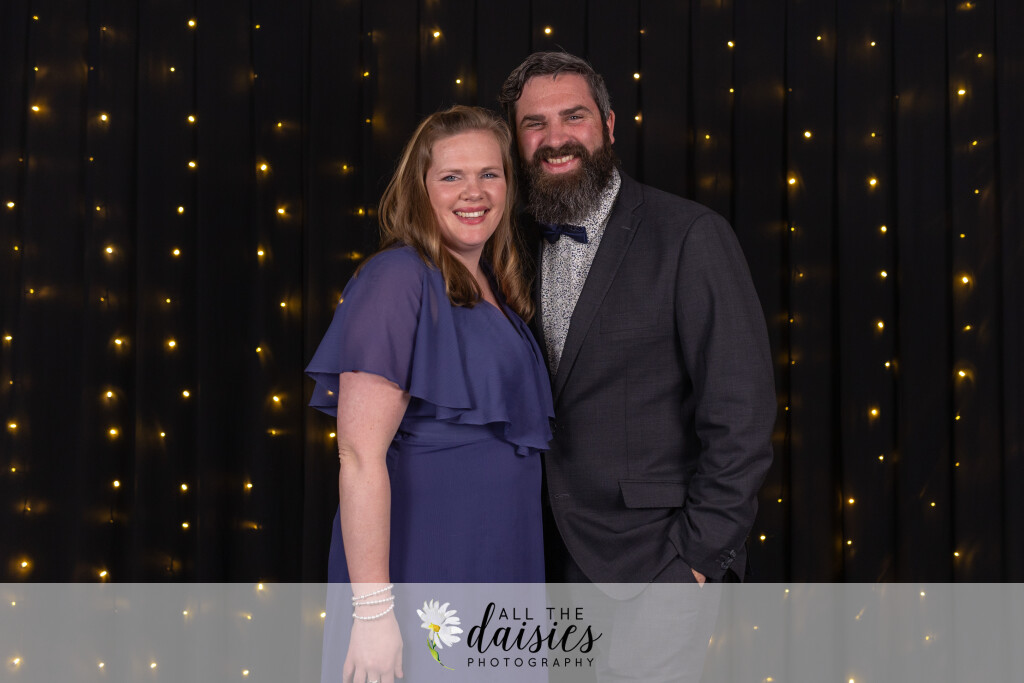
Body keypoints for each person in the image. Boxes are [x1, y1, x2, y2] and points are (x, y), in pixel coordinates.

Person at [499, 52, 776, 680]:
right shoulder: (506, 243)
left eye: (574, 116)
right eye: (535, 124)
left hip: (653, 562)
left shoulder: (689, 235)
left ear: (609, 124)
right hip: (534, 563)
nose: (555, 138)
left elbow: (741, 412)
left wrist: (696, 560)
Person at [305, 105, 553, 683]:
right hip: (426, 564)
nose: (474, 192)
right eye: (451, 176)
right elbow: (359, 456)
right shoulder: (396, 278)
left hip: (500, 559)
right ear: (420, 189)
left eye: (489, 174)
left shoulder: (495, 285)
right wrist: (373, 614)